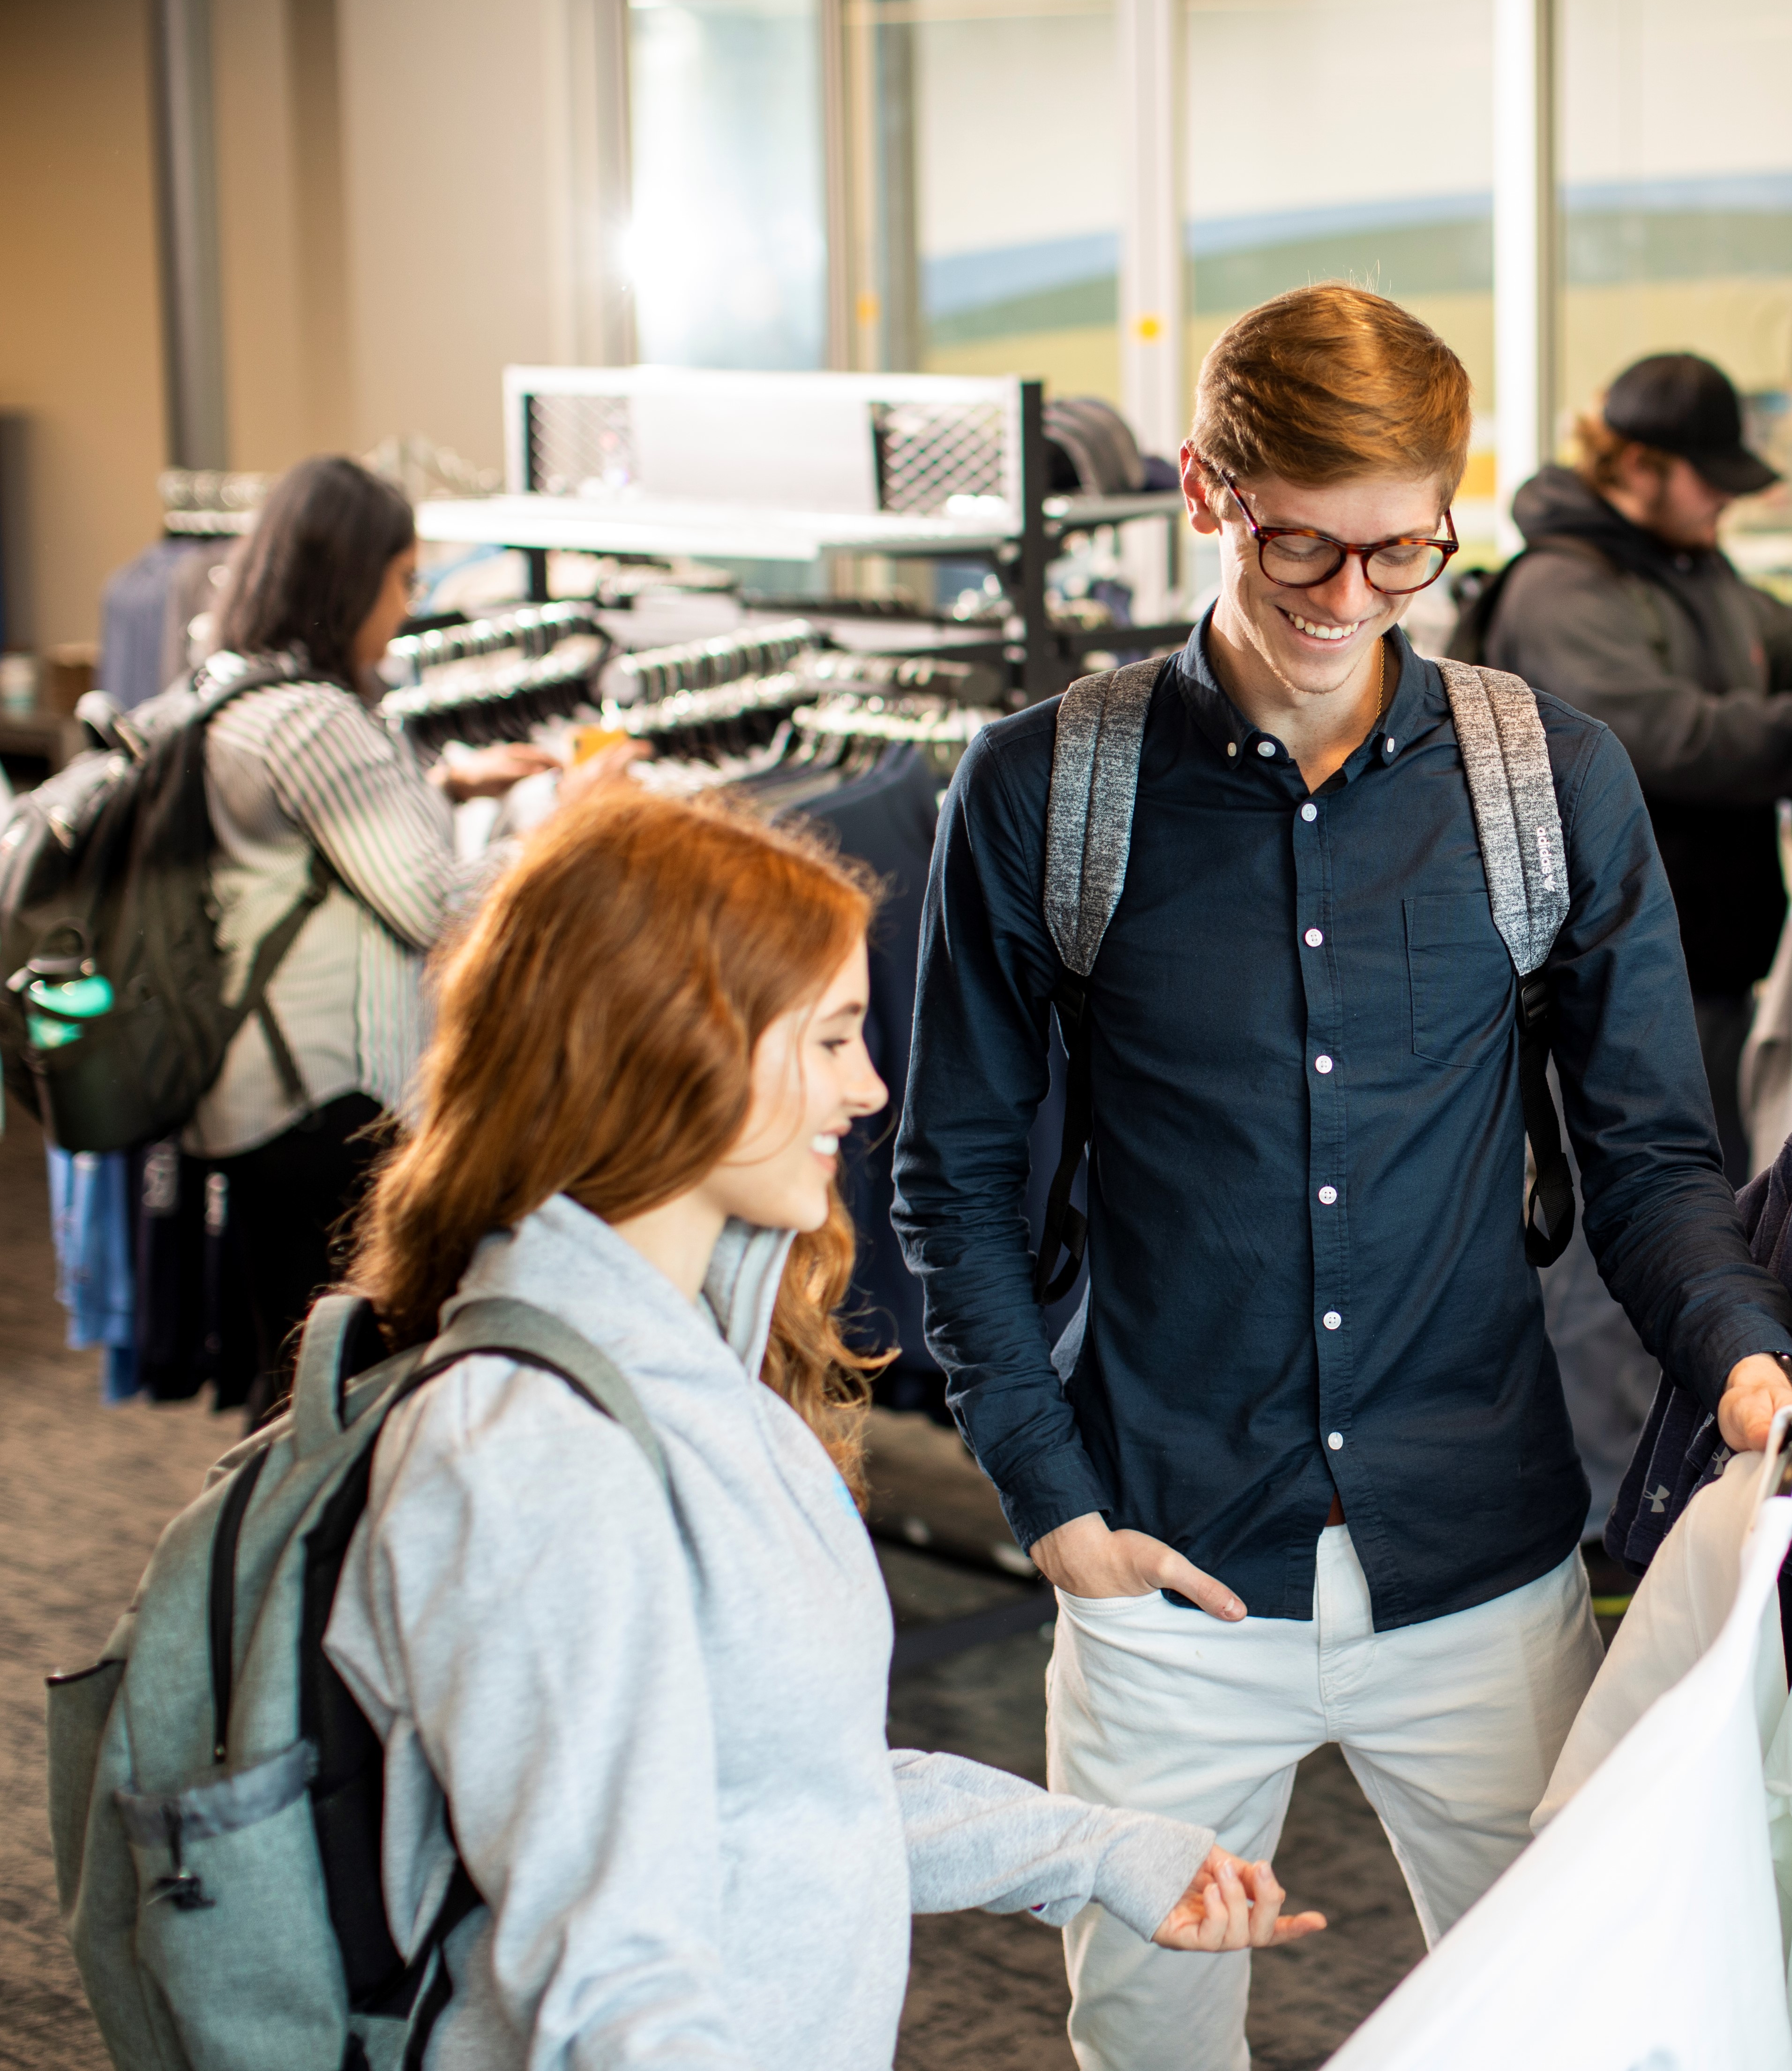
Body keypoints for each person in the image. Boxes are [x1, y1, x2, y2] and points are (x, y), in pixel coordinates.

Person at [892, 284, 1792, 2071]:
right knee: (1151, 2041)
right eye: (1300, 551)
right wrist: (1049, 1502)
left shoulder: (1548, 780)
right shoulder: (1044, 792)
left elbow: (1646, 1151)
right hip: (1162, 1560)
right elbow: (950, 1182)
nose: (1347, 606)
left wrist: (1737, 1352)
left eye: (1401, 554)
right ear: (1205, 491)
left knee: (1566, 2024)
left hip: (1479, 1549)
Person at [324, 789, 1320, 2067]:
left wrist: (1096, 1851)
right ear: (676, 1043)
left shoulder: (701, 1377)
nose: (872, 1084)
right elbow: (603, 1979)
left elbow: (783, 1796)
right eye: (834, 1038)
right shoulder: (532, 1446)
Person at [1480, 352, 1792, 1182]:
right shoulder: (1562, 590)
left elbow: (1774, 641)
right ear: (1641, 466)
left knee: (1706, 1190)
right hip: (1614, 978)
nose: (1727, 502)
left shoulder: (1684, 561)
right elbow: (1675, 741)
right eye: (1711, 481)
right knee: (1630, 1215)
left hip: (1703, 964)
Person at [189, 454, 609, 1412]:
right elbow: (438, 905)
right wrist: (568, 819)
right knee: (335, 1385)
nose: (409, 603)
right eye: (405, 578)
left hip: (268, 1091)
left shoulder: (240, 688)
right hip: (326, 1099)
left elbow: (302, 850)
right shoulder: (315, 722)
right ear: (353, 579)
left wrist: (448, 787)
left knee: (303, 1365)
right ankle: (304, 1559)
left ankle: (294, 1552)